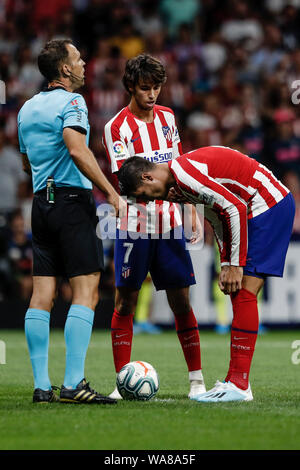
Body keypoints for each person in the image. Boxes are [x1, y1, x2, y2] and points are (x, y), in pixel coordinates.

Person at [117, 145, 295, 402]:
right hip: (257, 206)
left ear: (147, 177)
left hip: (267, 205)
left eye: (145, 194)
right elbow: (218, 216)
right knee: (240, 293)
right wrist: (226, 263)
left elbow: (234, 208)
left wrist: (234, 264)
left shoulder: (185, 174)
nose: (151, 201)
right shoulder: (178, 185)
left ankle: (239, 385)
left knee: (244, 291)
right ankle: (236, 381)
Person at [17, 39, 124, 404]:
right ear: (64, 69)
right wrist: (110, 192)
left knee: (42, 296)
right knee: (86, 292)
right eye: (78, 59)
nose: (83, 64)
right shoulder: (73, 102)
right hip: (72, 204)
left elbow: (27, 163)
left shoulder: (26, 109)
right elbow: (77, 149)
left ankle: (42, 387)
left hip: (40, 205)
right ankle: (74, 383)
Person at [102, 54, 205, 399]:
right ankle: (121, 382)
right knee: (124, 303)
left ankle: (196, 381)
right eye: (145, 87)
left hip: (171, 224)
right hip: (134, 227)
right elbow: (128, 181)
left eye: (157, 87)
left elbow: (178, 168)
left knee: (181, 302)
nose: (152, 94)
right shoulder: (117, 128)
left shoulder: (168, 118)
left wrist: (189, 210)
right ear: (130, 86)